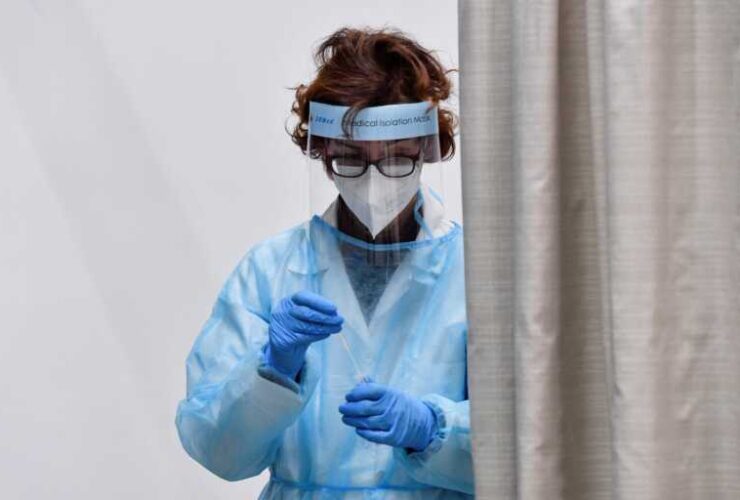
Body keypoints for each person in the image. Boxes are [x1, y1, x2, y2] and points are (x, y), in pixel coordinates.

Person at [175, 27, 474, 499]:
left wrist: (434, 428)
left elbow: (534, 440)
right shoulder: (272, 269)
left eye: (396, 159)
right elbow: (219, 451)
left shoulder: (474, 273)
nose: (374, 180)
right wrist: (272, 371)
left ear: (426, 148)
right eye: (351, 159)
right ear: (322, 151)